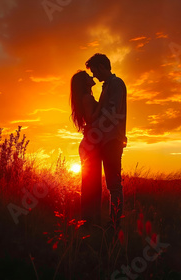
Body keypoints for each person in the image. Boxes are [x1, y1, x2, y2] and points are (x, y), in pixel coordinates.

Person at [86, 53, 127, 229]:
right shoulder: (107, 86)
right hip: (105, 141)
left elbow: (111, 112)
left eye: (95, 71)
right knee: (111, 184)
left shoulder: (116, 84)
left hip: (112, 141)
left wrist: (93, 125)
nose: (94, 76)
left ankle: (115, 225)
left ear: (102, 67)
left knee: (114, 185)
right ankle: (112, 223)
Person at [70, 70, 103, 227]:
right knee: (93, 185)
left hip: (87, 144)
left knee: (90, 184)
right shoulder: (87, 98)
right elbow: (91, 118)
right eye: (88, 77)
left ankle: (89, 220)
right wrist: (102, 102)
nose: (92, 77)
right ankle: (90, 221)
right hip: (90, 145)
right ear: (84, 83)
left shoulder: (83, 98)